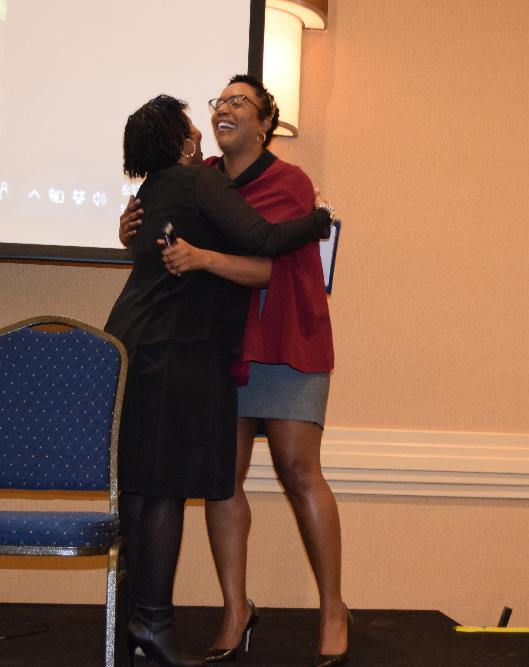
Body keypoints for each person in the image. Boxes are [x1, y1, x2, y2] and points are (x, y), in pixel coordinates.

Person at [120, 75, 348, 667]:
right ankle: (234, 609)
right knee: (224, 478)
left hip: (288, 339)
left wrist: (203, 257)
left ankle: (332, 608)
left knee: (299, 470)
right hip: (225, 348)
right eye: (219, 101)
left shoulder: (290, 181)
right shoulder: (202, 176)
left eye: (237, 102)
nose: (223, 109)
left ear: (265, 123)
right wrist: (132, 230)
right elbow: (168, 241)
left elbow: (271, 260)